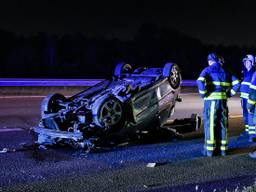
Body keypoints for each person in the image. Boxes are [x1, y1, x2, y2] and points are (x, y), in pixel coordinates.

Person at [197, 53, 240, 156]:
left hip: (211, 102)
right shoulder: (226, 70)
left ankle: (210, 150)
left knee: (210, 125)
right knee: (223, 124)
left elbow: (200, 81)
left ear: (209, 61)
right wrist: (229, 94)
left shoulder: (207, 70)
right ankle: (223, 149)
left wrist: (204, 94)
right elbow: (237, 83)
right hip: (223, 102)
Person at [240, 55, 255, 139]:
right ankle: (247, 131)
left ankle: (252, 135)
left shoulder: (253, 72)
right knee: (245, 115)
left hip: (250, 98)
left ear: (252, 63)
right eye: (245, 62)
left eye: (248, 61)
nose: (246, 63)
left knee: (250, 115)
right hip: (244, 98)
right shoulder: (245, 71)